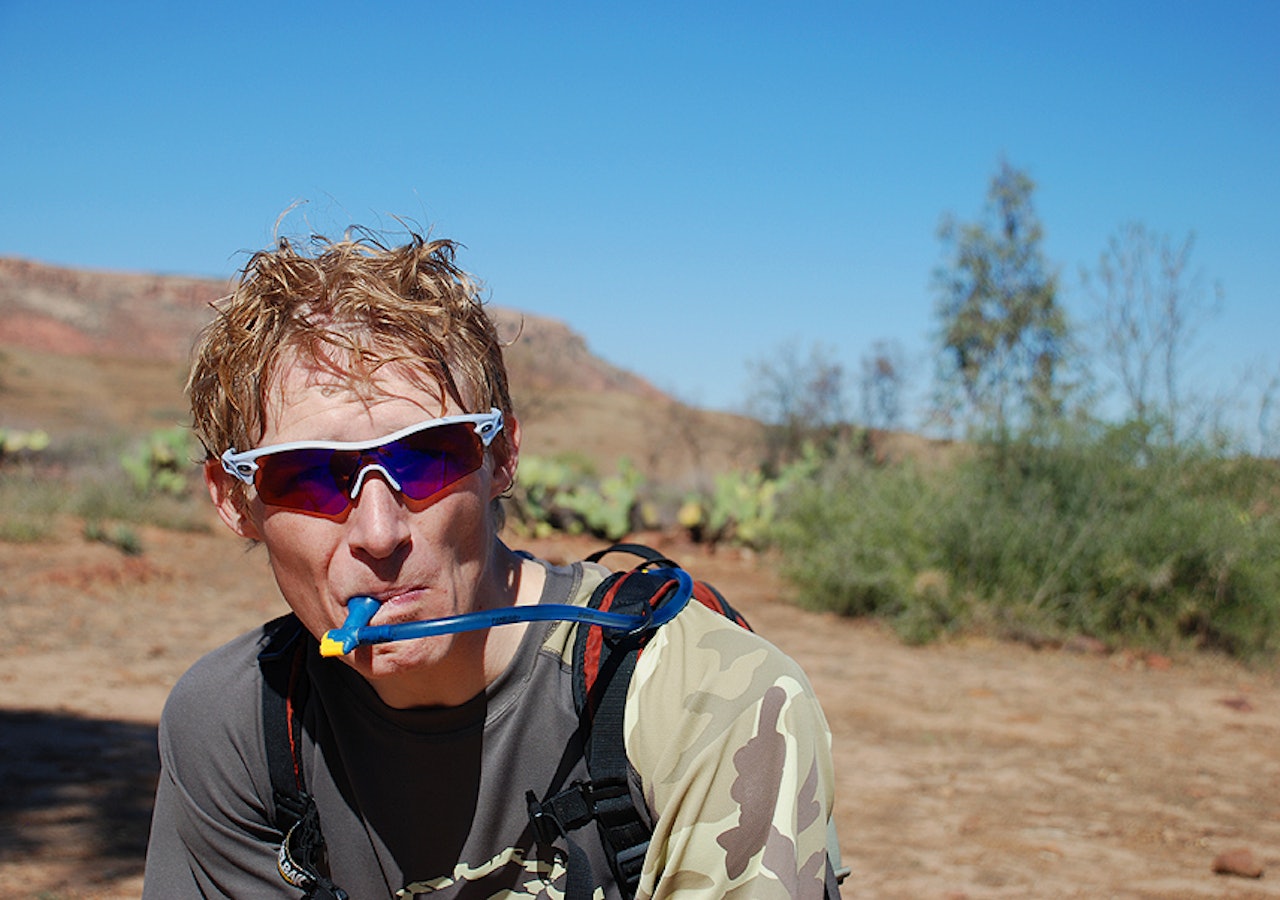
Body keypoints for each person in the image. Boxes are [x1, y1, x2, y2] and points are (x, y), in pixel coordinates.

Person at [142, 230, 842, 898]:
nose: (380, 534)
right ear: (234, 500)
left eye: (427, 456)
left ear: (500, 456)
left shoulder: (714, 700)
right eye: (308, 477)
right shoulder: (236, 727)